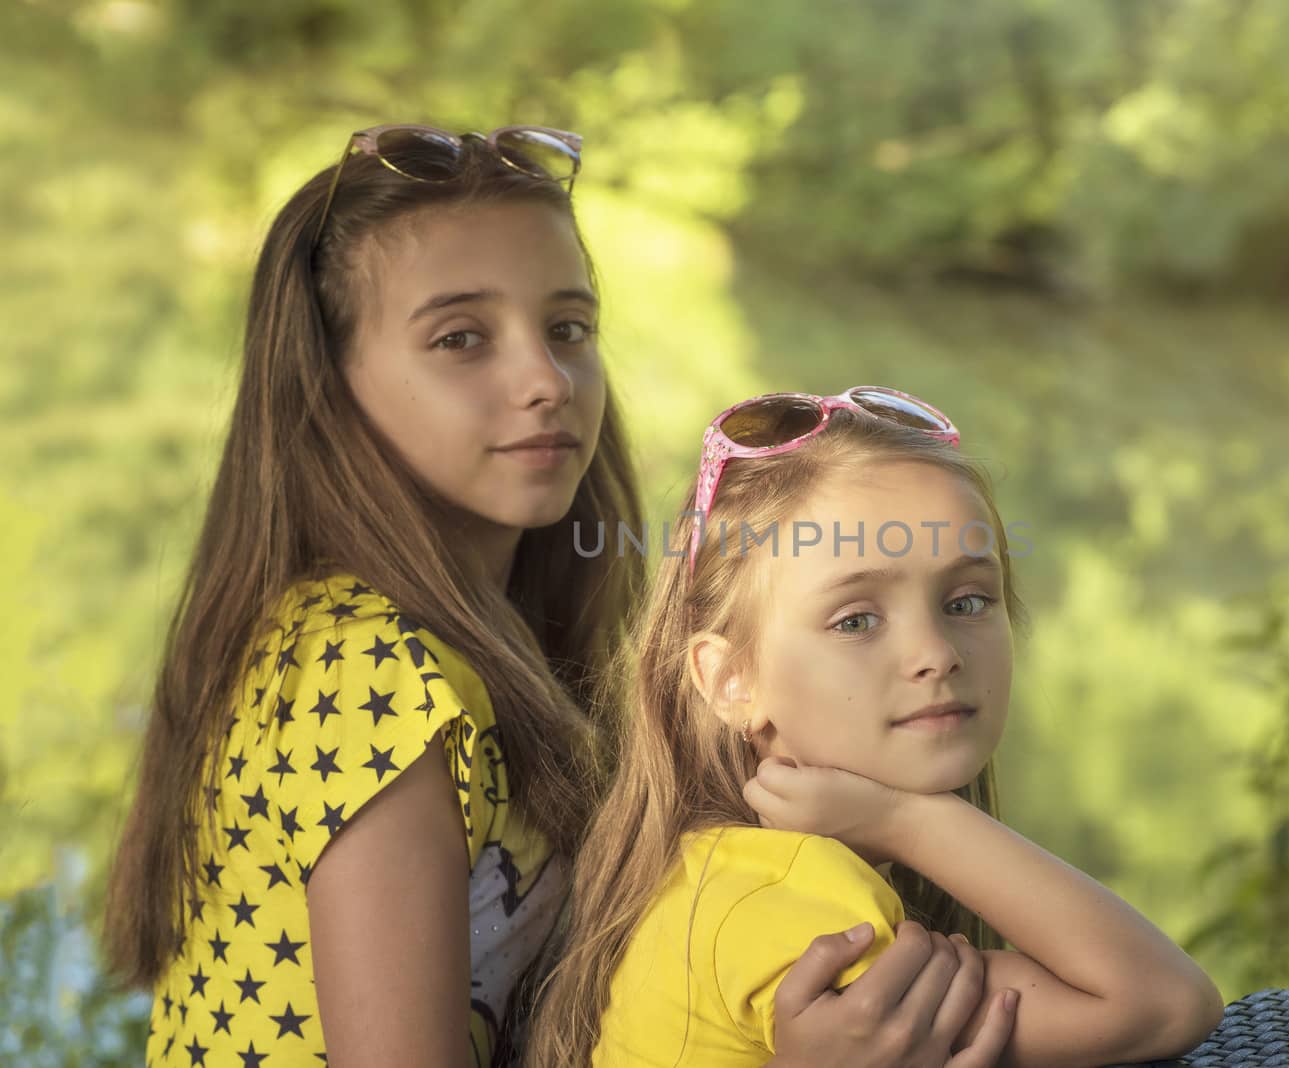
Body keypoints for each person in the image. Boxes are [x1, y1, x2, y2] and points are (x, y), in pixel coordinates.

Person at [102, 126, 1011, 1068]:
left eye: (569, 329)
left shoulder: (512, 636)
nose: (545, 381)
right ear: (327, 387)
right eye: (462, 339)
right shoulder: (364, 665)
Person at [531, 388, 1226, 1068]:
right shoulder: (798, 908)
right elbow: (1163, 1002)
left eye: (967, 600)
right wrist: (910, 822)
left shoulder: (726, 865)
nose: (937, 653)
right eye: (856, 620)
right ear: (731, 681)